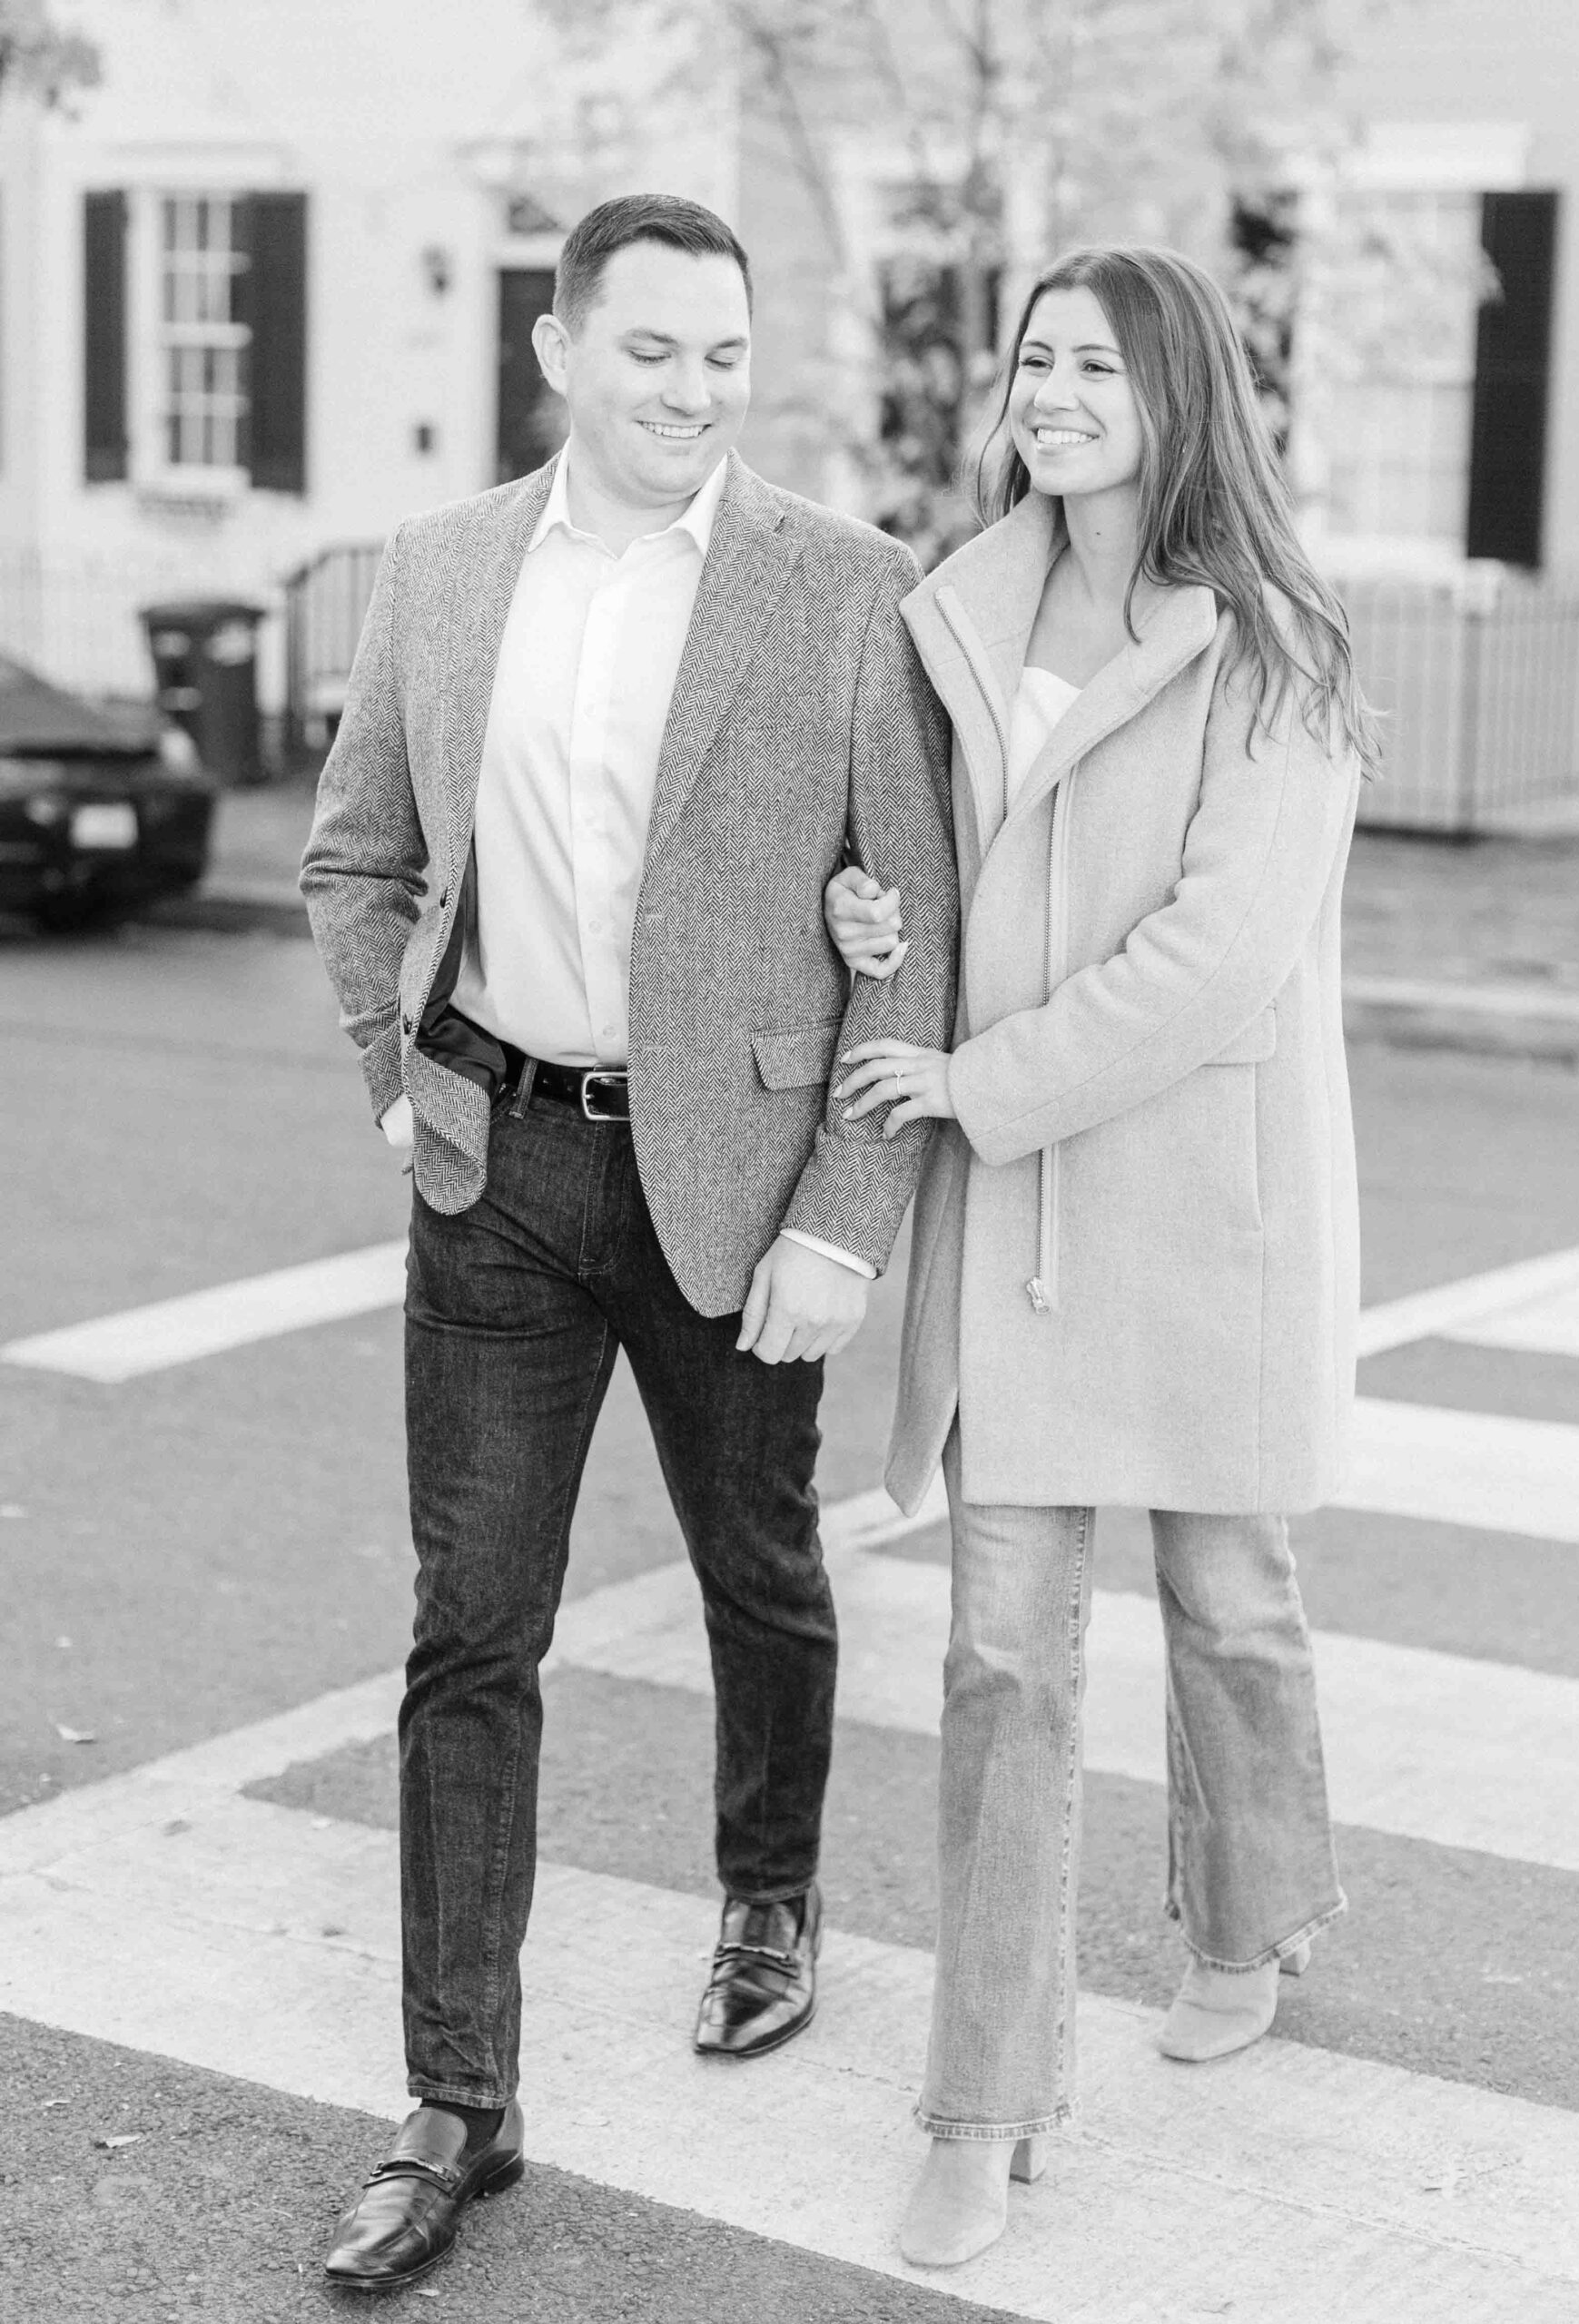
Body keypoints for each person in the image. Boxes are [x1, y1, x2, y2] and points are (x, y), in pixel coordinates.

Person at [301, 192, 955, 2293]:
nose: (692, 391)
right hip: (496, 1168)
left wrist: (848, 1220)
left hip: (737, 1177)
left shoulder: (845, 588)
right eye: (653, 350)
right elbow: (358, 851)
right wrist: (397, 1084)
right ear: (564, 349)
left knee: (759, 1565)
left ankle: (770, 1888)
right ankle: (455, 2104)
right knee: (467, 1628)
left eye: (723, 355)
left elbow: (911, 924)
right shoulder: (442, 573)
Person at [826, 242, 1376, 2270]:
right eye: (1032, 358)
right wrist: (879, 928)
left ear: (1174, 392)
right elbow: (912, 850)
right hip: (1019, 1219)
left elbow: (1215, 961)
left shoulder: (1275, 654)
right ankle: (984, 2104)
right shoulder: (951, 605)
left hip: (1193, 1194)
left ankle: (1252, 1907)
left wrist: (977, 1072)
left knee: (1231, 1595)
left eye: (1090, 363)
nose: (1049, 389)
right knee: (996, 1653)